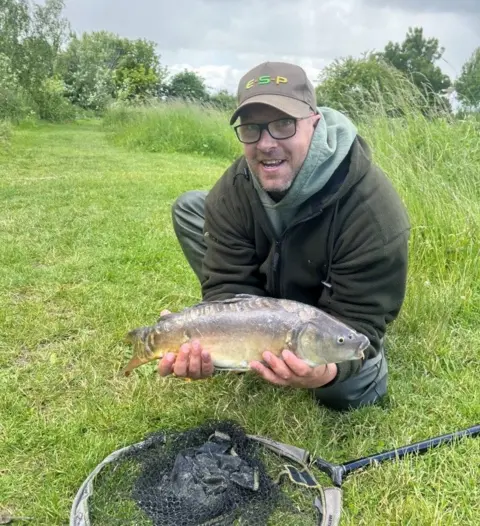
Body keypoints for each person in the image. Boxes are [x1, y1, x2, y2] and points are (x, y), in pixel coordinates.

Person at [158, 61, 410, 411]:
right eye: (252, 129)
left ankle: (327, 351)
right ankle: (252, 341)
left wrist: (326, 373)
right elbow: (228, 288)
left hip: (330, 315)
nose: (265, 144)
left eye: (283, 125)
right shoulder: (233, 188)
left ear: (314, 123)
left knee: (342, 393)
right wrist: (214, 334)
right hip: (270, 312)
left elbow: (360, 319)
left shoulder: (373, 210)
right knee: (191, 206)